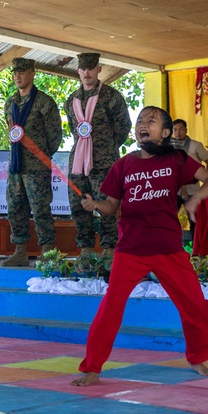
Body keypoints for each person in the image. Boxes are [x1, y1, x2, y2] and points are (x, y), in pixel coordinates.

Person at [72, 106, 208, 386]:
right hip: (130, 249)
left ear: (165, 133)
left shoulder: (178, 159)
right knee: (110, 307)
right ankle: (92, 367)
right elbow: (111, 206)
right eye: (140, 120)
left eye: (151, 121)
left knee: (195, 304)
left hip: (169, 248)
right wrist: (95, 206)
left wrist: (196, 199)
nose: (143, 124)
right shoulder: (123, 165)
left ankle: (197, 358)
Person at [64, 52, 131, 266]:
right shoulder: (71, 100)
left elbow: (123, 127)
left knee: (106, 207)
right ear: (78, 70)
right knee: (78, 205)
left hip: (104, 163)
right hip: (78, 163)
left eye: (91, 68)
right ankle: (85, 249)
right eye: (83, 69)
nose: (87, 73)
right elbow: (74, 130)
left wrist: (106, 148)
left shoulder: (112, 97)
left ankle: (109, 249)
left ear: (99, 69)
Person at [3, 57, 63, 267]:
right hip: (16, 167)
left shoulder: (44, 102)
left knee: (40, 210)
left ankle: (47, 252)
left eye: (22, 72)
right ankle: (20, 251)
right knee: (15, 208)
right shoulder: (10, 102)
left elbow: (55, 135)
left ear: (32, 74)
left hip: (37, 167)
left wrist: (42, 155)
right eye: (15, 73)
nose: (17, 76)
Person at [170, 118, 208, 239]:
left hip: (193, 190)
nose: (178, 132)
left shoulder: (195, 145)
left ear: (186, 130)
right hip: (175, 190)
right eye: (175, 130)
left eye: (181, 129)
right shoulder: (169, 147)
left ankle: (196, 249)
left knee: (194, 220)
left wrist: (207, 179)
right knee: (172, 219)